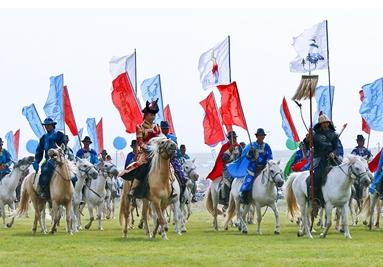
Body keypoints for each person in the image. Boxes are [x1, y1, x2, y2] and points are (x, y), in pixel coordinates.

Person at [119, 100, 162, 198]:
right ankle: (134, 188)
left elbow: (160, 138)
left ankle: (172, 186)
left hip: (158, 152)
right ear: (146, 115)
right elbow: (140, 142)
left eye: (154, 115)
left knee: (170, 165)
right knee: (142, 168)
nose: (153, 117)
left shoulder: (157, 127)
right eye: (151, 114)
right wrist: (149, 148)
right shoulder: (140, 127)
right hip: (145, 153)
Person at [31, 118, 66, 199]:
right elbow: (39, 150)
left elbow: (64, 146)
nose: (47, 126)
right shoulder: (43, 138)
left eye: (49, 125)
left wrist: (58, 151)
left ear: (53, 125)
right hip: (48, 160)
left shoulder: (60, 135)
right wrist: (36, 161)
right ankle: (44, 192)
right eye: (46, 125)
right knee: (45, 171)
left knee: (73, 174)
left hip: (60, 158)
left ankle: (73, 193)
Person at [312, 114, 340, 211]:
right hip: (321, 160)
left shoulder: (334, 135)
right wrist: (308, 139)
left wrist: (333, 153)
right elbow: (308, 146)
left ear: (329, 123)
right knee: (317, 176)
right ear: (320, 124)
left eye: (326, 122)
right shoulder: (315, 136)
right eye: (322, 123)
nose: (325, 124)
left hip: (332, 159)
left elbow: (337, 148)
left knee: (345, 173)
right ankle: (315, 199)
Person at [240, 128, 273, 204]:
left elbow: (270, 157)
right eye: (259, 135)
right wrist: (250, 153)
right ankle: (244, 196)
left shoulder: (267, 146)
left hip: (264, 168)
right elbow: (246, 157)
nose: (261, 137)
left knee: (273, 178)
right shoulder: (251, 146)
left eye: (262, 135)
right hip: (253, 169)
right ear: (257, 136)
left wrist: (266, 166)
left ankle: (274, 195)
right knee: (248, 181)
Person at [160, 120, 186, 200]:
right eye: (164, 128)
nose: (166, 130)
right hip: (160, 160)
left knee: (181, 174)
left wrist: (172, 156)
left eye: (167, 128)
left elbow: (176, 151)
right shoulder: (158, 138)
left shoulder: (173, 138)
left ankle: (182, 194)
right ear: (161, 129)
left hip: (172, 160)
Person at [220, 131, 242, 208]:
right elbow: (223, 159)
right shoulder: (225, 147)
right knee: (227, 184)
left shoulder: (239, 147)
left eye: (235, 138)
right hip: (228, 170)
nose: (235, 139)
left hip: (237, 169)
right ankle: (226, 201)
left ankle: (244, 198)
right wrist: (229, 150)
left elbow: (242, 157)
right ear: (229, 139)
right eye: (233, 138)